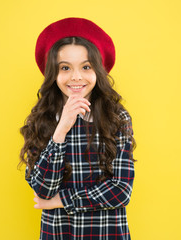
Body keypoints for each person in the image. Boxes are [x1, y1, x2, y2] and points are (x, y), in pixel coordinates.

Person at [19, 17, 136, 240]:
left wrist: (60, 200)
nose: (76, 77)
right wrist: (61, 130)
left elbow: (121, 191)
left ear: (98, 71)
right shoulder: (42, 119)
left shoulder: (117, 117)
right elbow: (42, 190)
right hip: (59, 234)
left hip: (107, 234)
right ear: (53, 74)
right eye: (65, 68)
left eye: (86, 67)